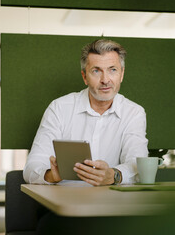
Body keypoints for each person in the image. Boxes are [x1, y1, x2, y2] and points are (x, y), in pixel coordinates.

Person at [23, 39, 148, 185]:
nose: (105, 80)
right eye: (96, 71)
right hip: (63, 203)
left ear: (121, 74)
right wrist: (51, 175)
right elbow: (31, 168)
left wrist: (114, 175)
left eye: (112, 70)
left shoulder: (134, 113)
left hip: (112, 203)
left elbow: (138, 165)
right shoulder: (59, 108)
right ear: (84, 77)